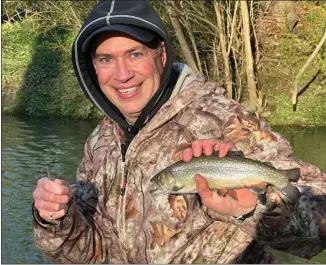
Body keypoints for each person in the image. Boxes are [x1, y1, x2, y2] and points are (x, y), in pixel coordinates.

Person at [32, 0, 326, 263]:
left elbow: (320, 219)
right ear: (92, 67)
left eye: (134, 54)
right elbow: (90, 253)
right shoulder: (100, 141)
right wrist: (55, 218)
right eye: (106, 59)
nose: (122, 74)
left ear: (161, 54)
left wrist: (253, 209)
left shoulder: (224, 118)